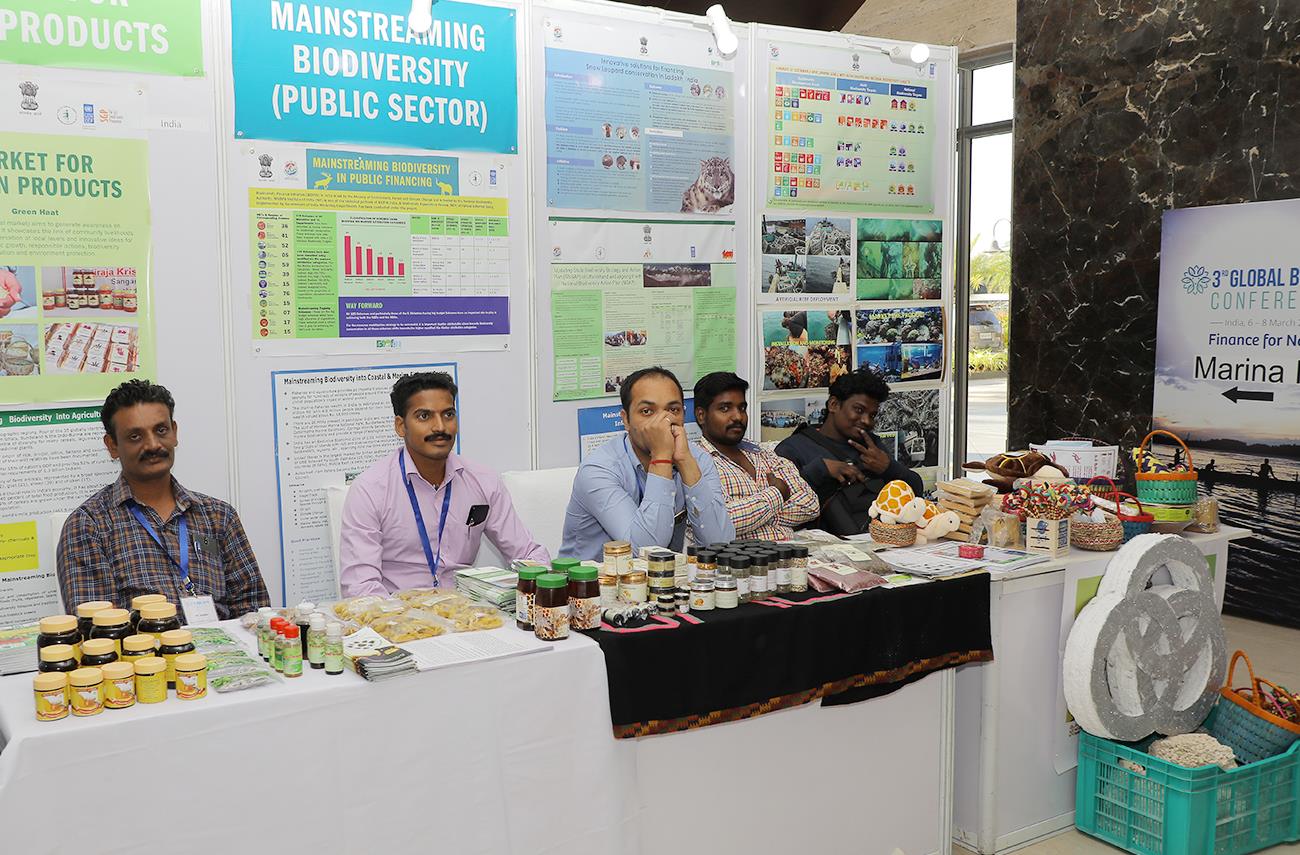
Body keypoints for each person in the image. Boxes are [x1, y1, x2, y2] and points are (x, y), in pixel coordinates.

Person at [58, 380, 270, 620]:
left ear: (174, 432)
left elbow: (254, 608)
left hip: (224, 643)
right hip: (144, 645)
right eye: (135, 436)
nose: (152, 445)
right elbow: (98, 627)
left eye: (161, 430)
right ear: (112, 446)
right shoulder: (89, 526)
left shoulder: (219, 516)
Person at [340, 372, 548, 596]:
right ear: (401, 426)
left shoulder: (483, 481)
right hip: (397, 611)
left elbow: (527, 552)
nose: (440, 427)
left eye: (448, 414)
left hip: (466, 610)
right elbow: (360, 587)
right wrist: (402, 616)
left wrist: (546, 583)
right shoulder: (370, 490)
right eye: (424, 416)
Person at [561, 366, 734, 560]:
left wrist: (685, 463)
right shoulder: (598, 470)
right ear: (626, 420)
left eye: (673, 410)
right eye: (647, 411)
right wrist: (661, 457)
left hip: (663, 578)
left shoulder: (697, 459)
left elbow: (721, 545)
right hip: (591, 578)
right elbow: (644, 551)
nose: (663, 421)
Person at [775, 368, 923, 535]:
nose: (866, 421)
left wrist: (890, 468)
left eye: (872, 415)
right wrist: (820, 470)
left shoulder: (872, 446)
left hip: (882, 540)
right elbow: (779, 509)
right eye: (859, 410)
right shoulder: (793, 448)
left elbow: (916, 495)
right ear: (834, 405)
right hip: (824, 546)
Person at [693, 372, 819, 540]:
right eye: (725, 408)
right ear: (701, 415)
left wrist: (755, 516)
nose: (738, 417)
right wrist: (777, 494)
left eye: (742, 408)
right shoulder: (694, 462)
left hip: (790, 552)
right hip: (740, 557)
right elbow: (720, 522)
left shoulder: (762, 453)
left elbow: (810, 504)